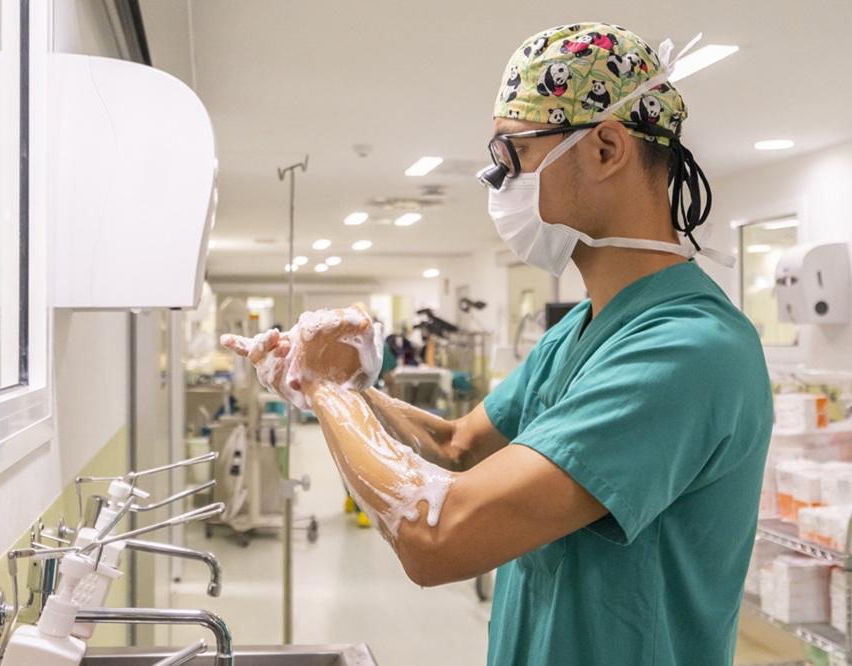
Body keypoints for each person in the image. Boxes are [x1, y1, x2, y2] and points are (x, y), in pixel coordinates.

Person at [225, 23, 771, 666]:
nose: (495, 179)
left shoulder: (688, 351)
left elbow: (437, 539)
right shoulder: (580, 330)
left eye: (513, 154)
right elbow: (458, 447)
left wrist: (329, 390)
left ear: (605, 148)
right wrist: (342, 387)